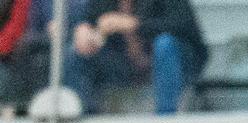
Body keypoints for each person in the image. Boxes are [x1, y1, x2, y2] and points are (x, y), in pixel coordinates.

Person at [63, 0, 207, 114]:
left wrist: (135, 24)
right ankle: (83, 114)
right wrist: (82, 28)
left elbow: (183, 25)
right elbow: (85, 19)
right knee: (79, 50)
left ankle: (165, 117)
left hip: (173, 64)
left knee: (165, 44)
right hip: (124, 66)